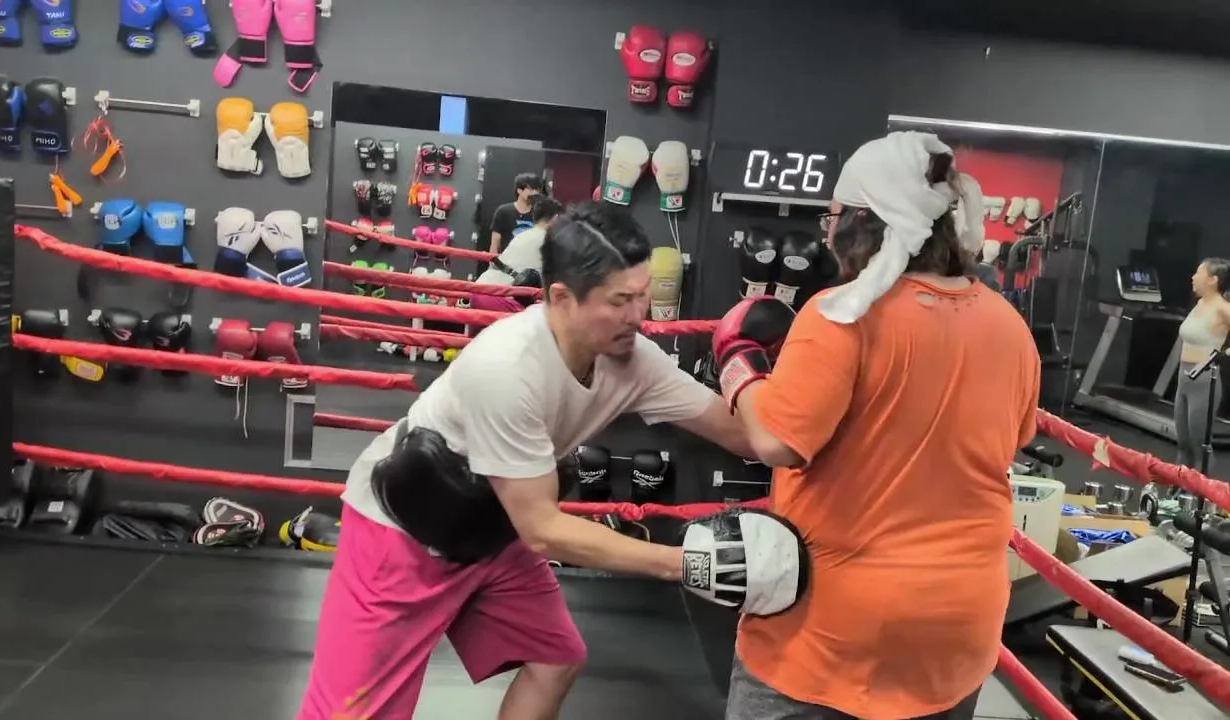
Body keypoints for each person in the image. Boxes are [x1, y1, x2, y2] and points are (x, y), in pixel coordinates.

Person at [297, 202, 761, 720]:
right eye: (620, 300)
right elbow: (543, 531)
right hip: (403, 535)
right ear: (561, 297)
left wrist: (750, 371)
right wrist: (688, 564)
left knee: (555, 659)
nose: (639, 316)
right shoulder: (507, 367)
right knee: (351, 713)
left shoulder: (635, 361)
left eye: (642, 294)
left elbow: (749, 436)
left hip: (496, 524)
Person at [712, 132, 1041, 720]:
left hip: (833, 629)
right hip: (958, 626)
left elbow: (774, 441)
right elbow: (1012, 440)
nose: (827, 233)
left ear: (864, 222)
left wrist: (738, 362)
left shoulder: (842, 314)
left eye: (833, 217)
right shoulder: (1009, 326)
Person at [1174, 258, 1230, 469]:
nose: (1193, 277)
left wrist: (1227, 352)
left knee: (1199, 445)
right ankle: (1178, 486)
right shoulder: (1200, 304)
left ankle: (1201, 489)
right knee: (1183, 443)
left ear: (1213, 280)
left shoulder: (1223, 308)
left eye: (1199, 273)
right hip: (1184, 377)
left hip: (1204, 381)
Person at [489, 172, 546, 255]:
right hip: (507, 259)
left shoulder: (539, 213)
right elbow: (495, 243)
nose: (534, 193)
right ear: (519, 190)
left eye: (536, 190)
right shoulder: (503, 211)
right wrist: (493, 261)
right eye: (530, 189)